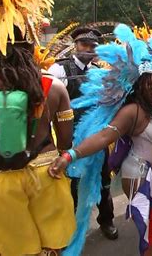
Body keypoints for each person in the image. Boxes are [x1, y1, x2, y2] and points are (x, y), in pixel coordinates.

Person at [48, 25, 152, 256]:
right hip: (142, 174)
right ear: (140, 83)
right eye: (150, 81)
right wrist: (70, 155)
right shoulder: (133, 111)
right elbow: (103, 136)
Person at [0, 28, 75, 255]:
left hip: (0, 178)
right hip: (47, 173)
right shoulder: (55, 86)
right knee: (52, 245)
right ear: (32, 48)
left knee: (10, 247)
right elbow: (66, 140)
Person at [48, 27, 119, 240]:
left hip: (97, 139)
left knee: (103, 180)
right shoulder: (59, 70)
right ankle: (68, 227)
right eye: (83, 44)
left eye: (92, 46)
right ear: (75, 45)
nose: (87, 49)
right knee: (72, 184)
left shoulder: (100, 70)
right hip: (70, 139)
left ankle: (106, 220)